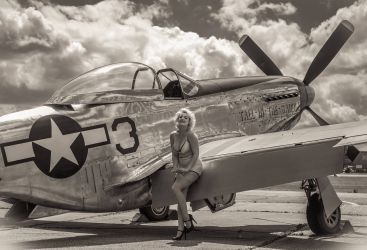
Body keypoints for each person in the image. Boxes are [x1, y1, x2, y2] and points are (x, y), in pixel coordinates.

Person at [170, 108, 203, 240]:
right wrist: (176, 168)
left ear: (189, 121)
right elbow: (174, 155)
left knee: (175, 188)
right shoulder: (173, 135)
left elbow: (196, 154)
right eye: (180, 117)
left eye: (186, 117)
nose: (182, 119)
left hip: (194, 167)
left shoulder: (191, 135)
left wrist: (187, 168)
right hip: (181, 169)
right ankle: (180, 230)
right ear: (177, 120)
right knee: (180, 198)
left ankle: (188, 223)